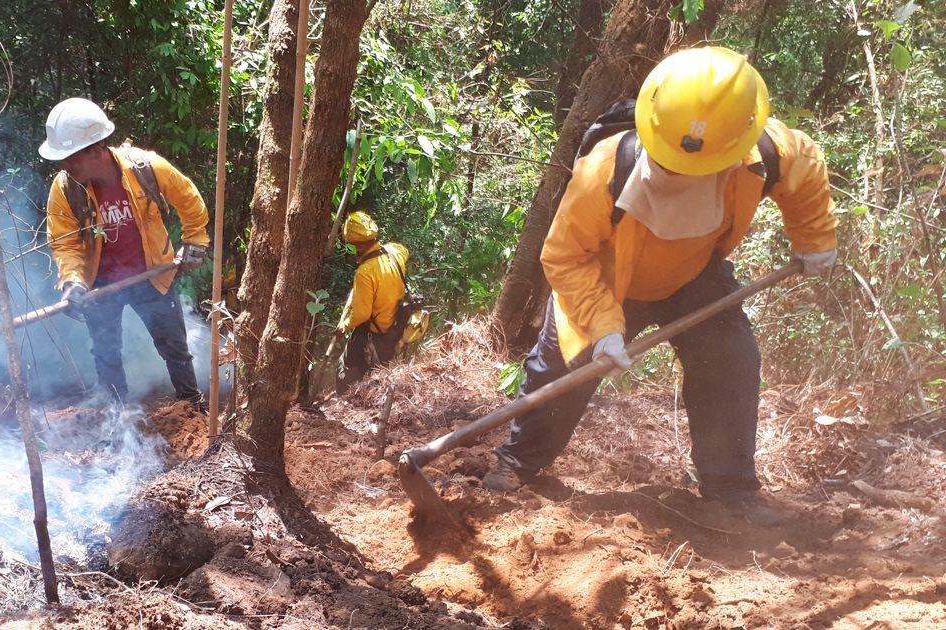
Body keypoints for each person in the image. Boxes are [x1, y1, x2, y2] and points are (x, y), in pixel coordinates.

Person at [482, 48, 838, 524]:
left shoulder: (764, 152)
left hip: (694, 274)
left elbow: (806, 167)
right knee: (560, 372)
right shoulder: (604, 170)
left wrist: (814, 239)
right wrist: (605, 325)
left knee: (730, 362)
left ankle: (730, 493)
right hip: (606, 281)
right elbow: (565, 256)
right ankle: (516, 466)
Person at [40, 97, 210, 410]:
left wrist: (195, 240)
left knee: (174, 344)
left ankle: (191, 404)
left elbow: (189, 199)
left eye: (71, 158)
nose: (64, 166)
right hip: (101, 283)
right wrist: (72, 282)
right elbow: (64, 242)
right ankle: (119, 417)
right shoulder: (65, 188)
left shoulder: (147, 168)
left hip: (153, 273)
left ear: (95, 150)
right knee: (106, 353)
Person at [335, 211, 410, 391]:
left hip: (376, 332)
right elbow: (405, 251)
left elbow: (361, 315)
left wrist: (343, 325)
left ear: (357, 245)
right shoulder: (394, 252)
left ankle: (344, 401)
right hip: (397, 326)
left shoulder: (365, 272)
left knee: (344, 368)